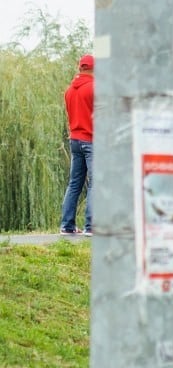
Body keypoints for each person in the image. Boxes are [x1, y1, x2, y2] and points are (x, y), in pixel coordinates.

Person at [60, 53, 95, 236]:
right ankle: (91, 227)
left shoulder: (69, 91)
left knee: (74, 184)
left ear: (80, 67)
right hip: (92, 140)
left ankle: (67, 226)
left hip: (75, 140)